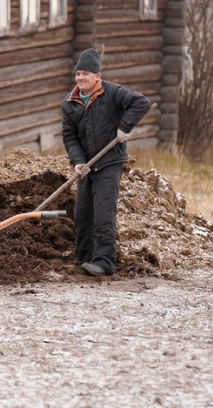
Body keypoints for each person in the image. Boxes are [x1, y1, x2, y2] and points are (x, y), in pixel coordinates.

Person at [61, 48, 150, 277]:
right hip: (88, 166)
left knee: (103, 213)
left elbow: (141, 102)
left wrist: (125, 127)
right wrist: (78, 162)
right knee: (82, 214)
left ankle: (104, 263)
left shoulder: (112, 93)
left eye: (86, 74)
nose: (81, 78)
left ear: (97, 76)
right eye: (78, 74)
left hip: (109, 161)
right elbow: (70, 136)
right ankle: (83, 258)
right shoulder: (70, 103)